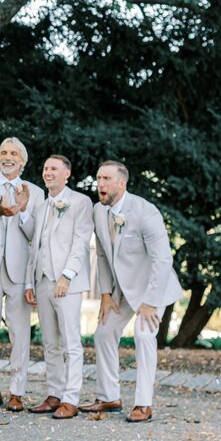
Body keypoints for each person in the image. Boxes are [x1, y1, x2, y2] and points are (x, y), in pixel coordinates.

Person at [79, 161, 183, 423]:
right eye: (98, 178)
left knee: (144, 335)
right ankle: (109, 397)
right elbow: (102, 254)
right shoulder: (98, 211)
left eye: (106, 179)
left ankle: (143, 404)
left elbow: (162, 260)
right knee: (103, 333)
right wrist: (106, 293)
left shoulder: (146, 212)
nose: (100, 184)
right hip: (121, 289)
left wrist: (150, 302)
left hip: (152, 287)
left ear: (121, 183)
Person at [23, 155, 94, 420]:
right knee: (50, 342)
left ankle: (70, 398)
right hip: (42, 280)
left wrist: (67, 275)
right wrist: (30, 281)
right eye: (45, 168)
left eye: (54, 168)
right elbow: (35, 246)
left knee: (71, 343)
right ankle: (54, 394)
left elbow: (80, 241)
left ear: (67, 173)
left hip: (67, 283)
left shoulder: (80, 202)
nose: (48, 172)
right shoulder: (42, 206)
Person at [0, 136, 44, 411]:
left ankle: (17, 391)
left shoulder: (35, 193)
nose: (8, 157)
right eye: (4, 152)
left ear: (22, 161)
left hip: (19, 271)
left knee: (19, 333)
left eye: (14, 153)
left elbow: (35, 235)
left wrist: (24, 211)